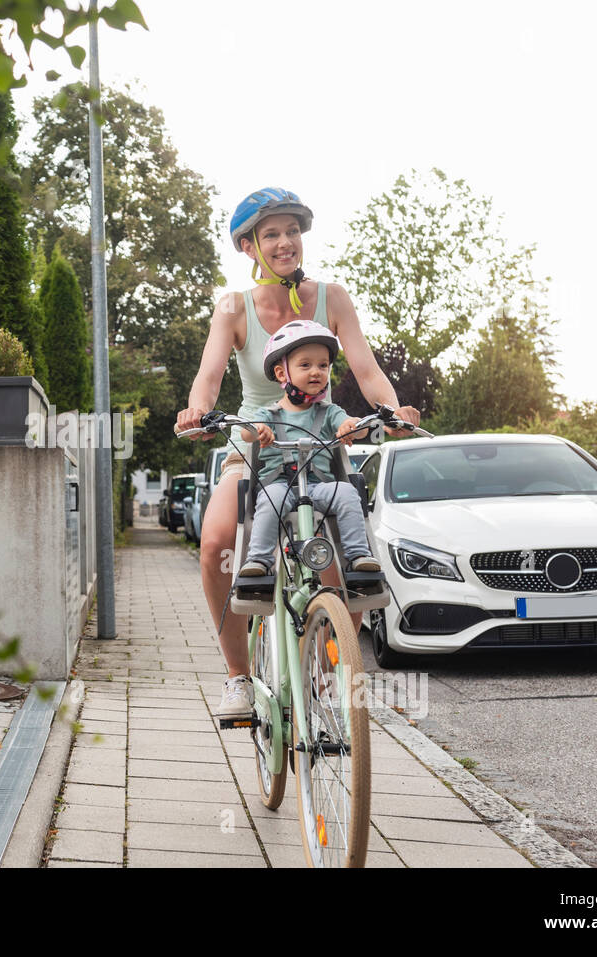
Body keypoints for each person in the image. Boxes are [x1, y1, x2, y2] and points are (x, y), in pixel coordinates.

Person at [174, 187, 419, 719]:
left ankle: (323, 672)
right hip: (257, 450)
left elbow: (367, 370)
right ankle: (238, 676)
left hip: (322, 446)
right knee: (216, 542)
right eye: (272, 234)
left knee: (353, 575)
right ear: (249, 247)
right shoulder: (233, 306)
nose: (286, 242)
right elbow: (209, 378)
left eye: (293, 231)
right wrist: (197, 412)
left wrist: (392, 410)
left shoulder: (334, 297)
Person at [236, 319, 381, 580]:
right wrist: (260, 430)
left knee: (347, 492)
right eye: (306, 365)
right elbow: (247, 432)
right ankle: (258, 560)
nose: (316, 371)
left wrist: (351, 427)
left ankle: (358, 556)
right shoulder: (268, 413)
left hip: (319, 486)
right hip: (280, 485)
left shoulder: (329, 412)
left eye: (323, 365)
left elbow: (356, 428)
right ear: (282, 374)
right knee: (271, 501)